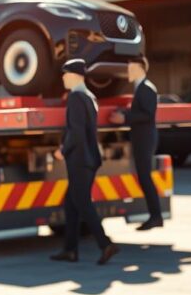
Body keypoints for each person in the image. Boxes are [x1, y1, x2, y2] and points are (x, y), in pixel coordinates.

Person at [51, 58, 120, 265]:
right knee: (71, 204)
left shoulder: (76, 98)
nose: (63, 77)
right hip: (89, 157)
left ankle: (105, 244)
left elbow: (77, 132)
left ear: (74, 75)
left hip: (80, 159)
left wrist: (63, 150)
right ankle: (70, 250)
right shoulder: (89, 96)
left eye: (65, 74)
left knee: (81, 202)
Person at [109, 56, 162, 230]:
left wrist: (125, 117)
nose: (128, 72)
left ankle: (156, 217)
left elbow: (147, 115)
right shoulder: (141, 88)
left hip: (145, 138)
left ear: (141, 68)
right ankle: (155, 216)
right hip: (142, 137)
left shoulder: (146, 88)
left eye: (131, 69)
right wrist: (124, 113)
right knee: (144, 177)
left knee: (145, 177)